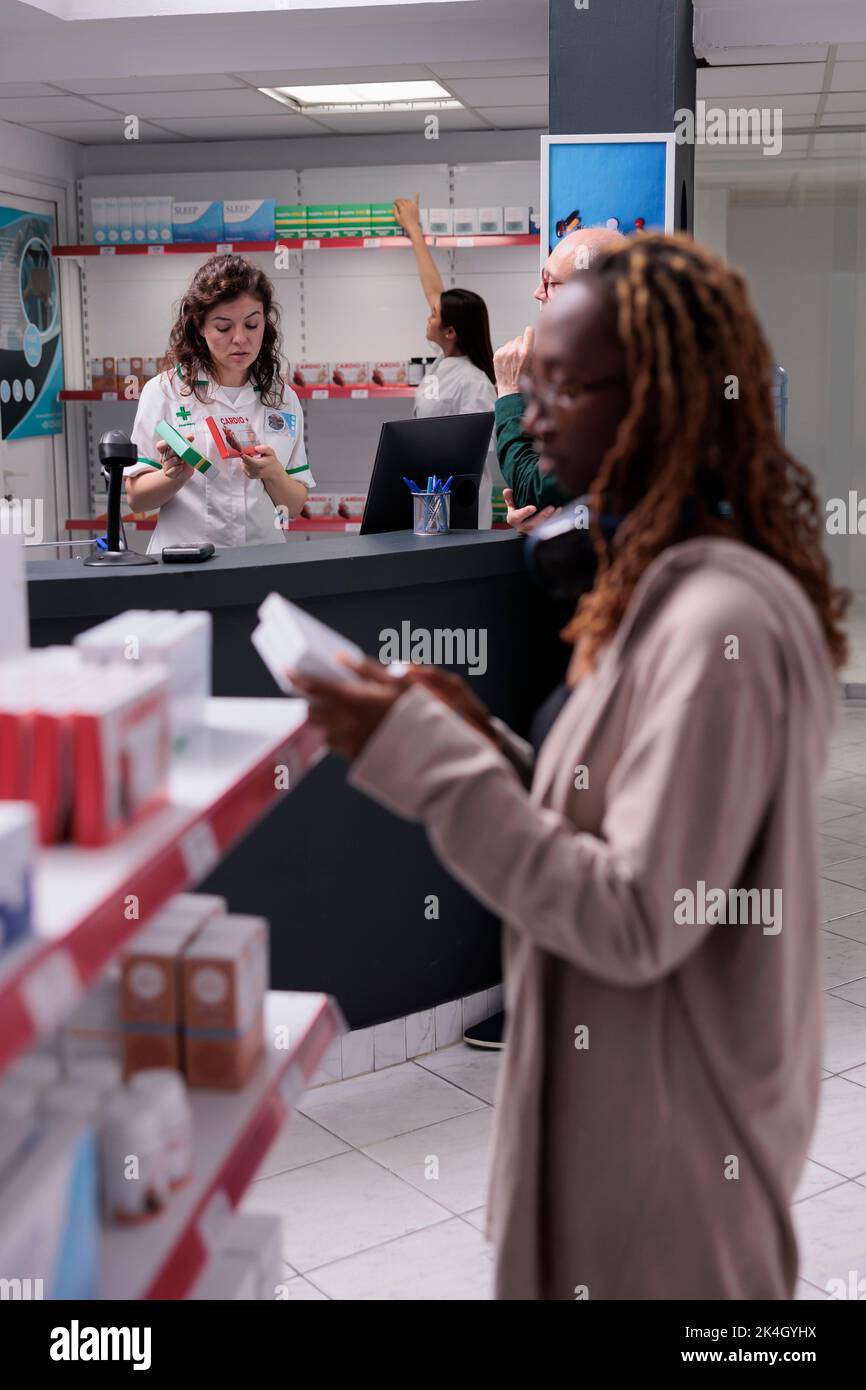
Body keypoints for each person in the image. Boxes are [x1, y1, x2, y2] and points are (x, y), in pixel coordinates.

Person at [292, 233, 847, 1299]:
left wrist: (428, 766)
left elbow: (634, 913)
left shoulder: (716, 623)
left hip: (668, 1178)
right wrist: (473, 735)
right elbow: (604, 821)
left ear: (656, 399)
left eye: (560, 385)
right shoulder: (660, 578)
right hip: (620, 1125)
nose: (531, 413)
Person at [125, 254, 313, 552]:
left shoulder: (282, 397)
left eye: (252, 325)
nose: (240, 339)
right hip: (185, 564)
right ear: (200, 326)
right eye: (223, 328)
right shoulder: (164, 391)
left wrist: (273, 473)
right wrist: (173, 476)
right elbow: (137, 499)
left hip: (262, 559)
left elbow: (292, 507)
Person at [495, 226, 625, 530]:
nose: (538, 293)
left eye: (550, 282)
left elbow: (535, 487)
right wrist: (546, 515)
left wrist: (510, 391)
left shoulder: (617, 388)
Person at [392, 195, 497, 527]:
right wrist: (413, 230)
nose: (428, 315)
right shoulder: (443, 363)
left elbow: (474, 450)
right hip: (431, 491)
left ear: (450, 331)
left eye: (434, 314)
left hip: (458, 501)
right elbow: (433, 288)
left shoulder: (474, 381)